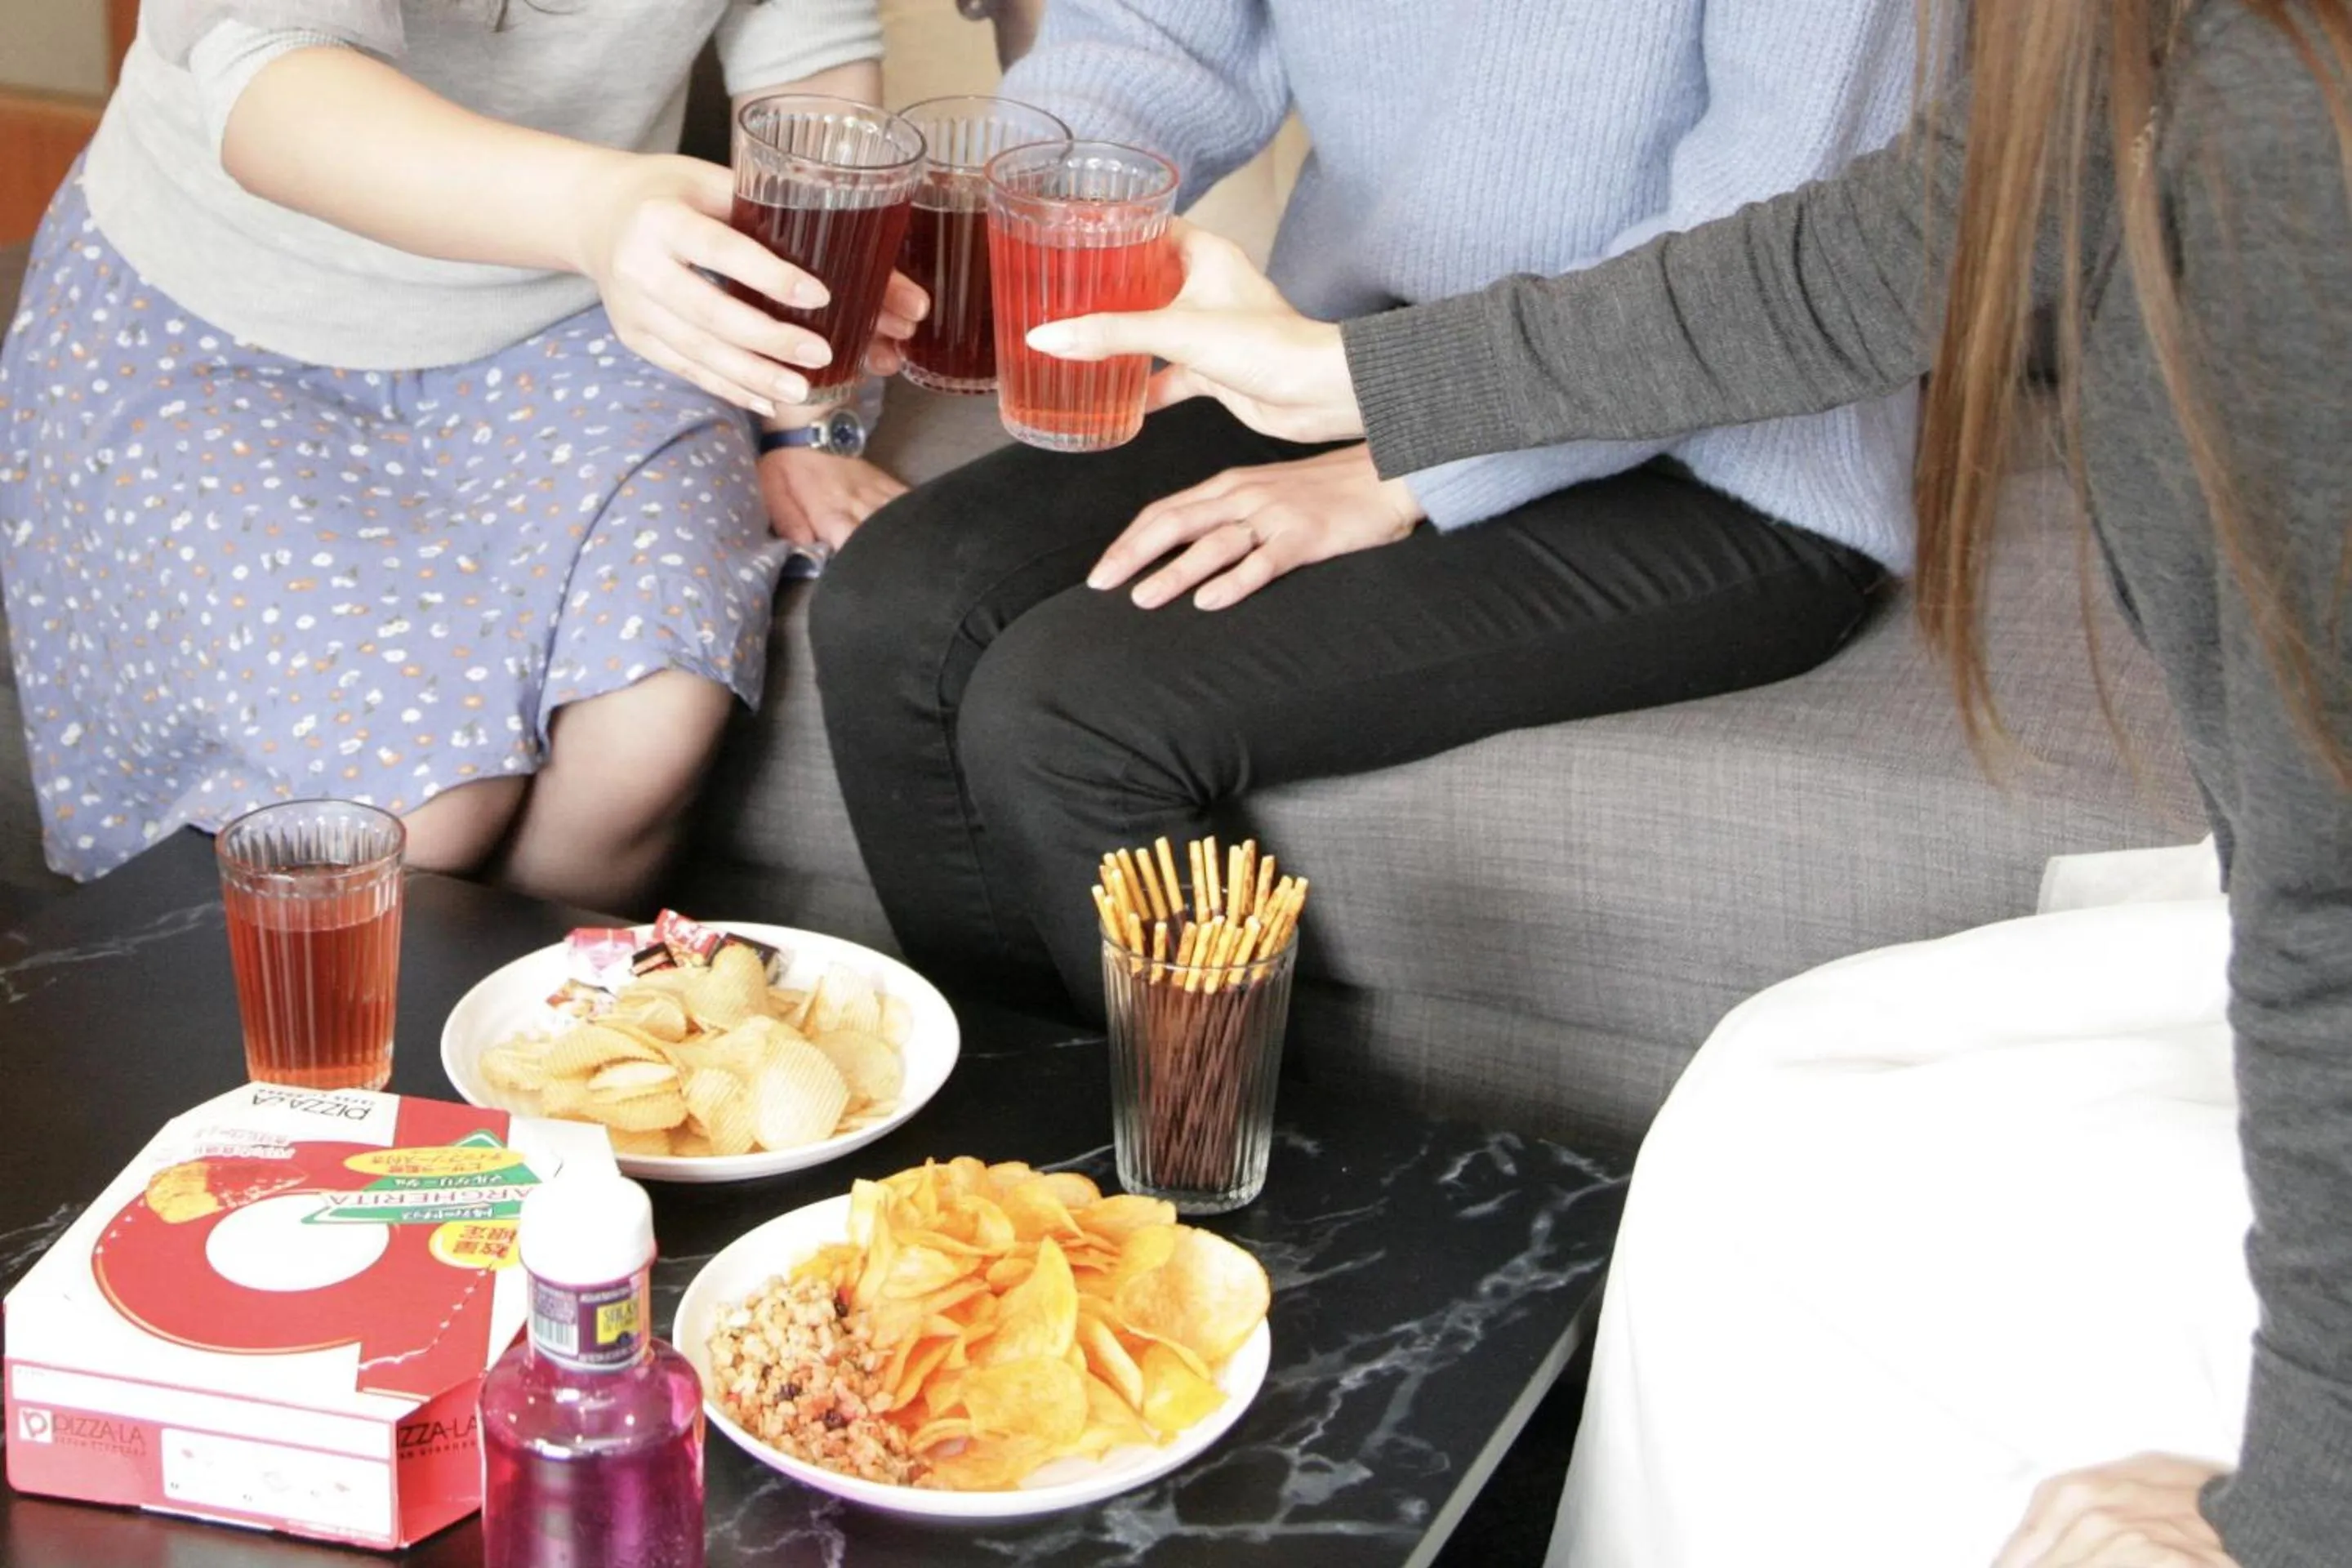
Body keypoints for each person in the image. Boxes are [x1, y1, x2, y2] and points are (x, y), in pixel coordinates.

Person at [1027, 1, 2352, 1562]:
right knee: (1758, 1095)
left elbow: (2326, 904)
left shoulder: (2279, 119)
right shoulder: (2140, 56)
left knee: (1777, 1218)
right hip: (2270, 906)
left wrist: (2288, 1518)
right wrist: (1374, 382)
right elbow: (1884, 244)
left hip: (2299, 953)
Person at [810, 0, 1922, 1007]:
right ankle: (1011, 1194)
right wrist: (1012, 229)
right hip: (1354, 363)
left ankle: (1219, 1210)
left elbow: (1774, 269)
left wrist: (1408, 464)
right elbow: (1156, 37)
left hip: (1736, 453)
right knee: (892, 603)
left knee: (1065, 710)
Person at [0, 0, 921, 907]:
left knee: (650, 727)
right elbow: (275, 85)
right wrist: (598, 208)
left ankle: (525, 1044)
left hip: (569, 312)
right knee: (418, 820)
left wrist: (807, 407)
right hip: (232, 314)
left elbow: (811, 60)